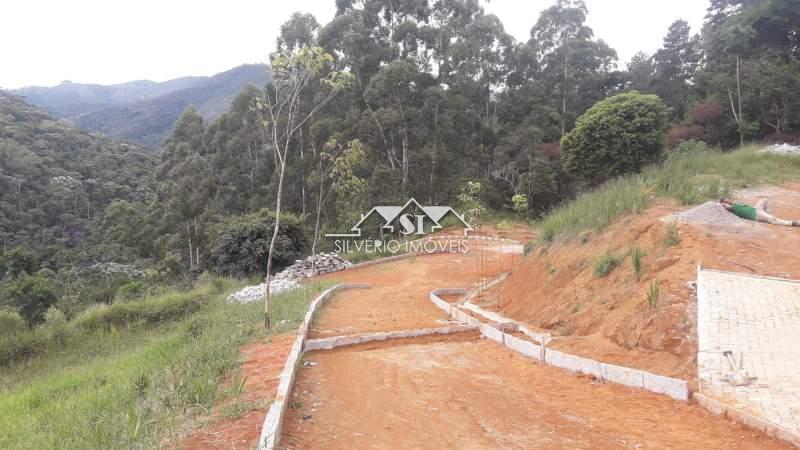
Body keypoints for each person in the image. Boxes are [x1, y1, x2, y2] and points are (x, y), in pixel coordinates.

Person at [720, 198, 799, 226]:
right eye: (726, 201)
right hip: (755, 215)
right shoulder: (731, 208)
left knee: (764, 199)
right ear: (725, 203)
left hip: (756, 209)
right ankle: (793, 223)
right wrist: (722, 203)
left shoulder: (735, 204)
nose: (728, 201)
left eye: (728, 200)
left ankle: (767, 213)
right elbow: (727, 207)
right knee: (772, 219)